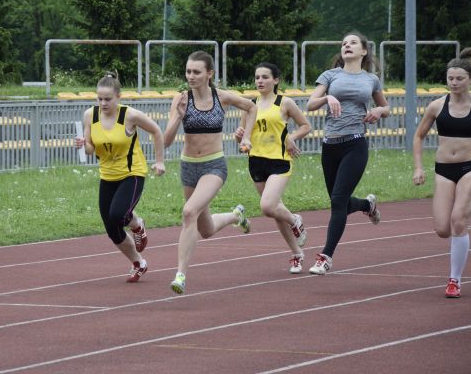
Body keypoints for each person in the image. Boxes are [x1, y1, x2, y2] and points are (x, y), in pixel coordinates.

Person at [163, 50, 258, 294]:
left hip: (214, 166)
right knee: (204, 229)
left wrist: (245, 134)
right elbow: (165, 141)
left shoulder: (222, 97)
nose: (191, 76)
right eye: (188, 71)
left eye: (196, 72)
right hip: (188, 167)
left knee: (188, 212)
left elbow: (251, 107)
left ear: (209, 74)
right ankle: (236, 216)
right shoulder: (181, 99)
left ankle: (180, 275)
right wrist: (178, 118)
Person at [306, 31, 390, 275]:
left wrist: (379, 112)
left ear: (364, 51)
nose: (347, 46)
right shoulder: (330, 75)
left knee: (337, 201)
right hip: (330, 145)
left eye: (353, 42)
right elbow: (311, 103)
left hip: (355, 144)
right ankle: (367, 204)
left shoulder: (371, 79)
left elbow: (386, 106)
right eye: (343, 43)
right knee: (338, 200)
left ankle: (326, 256)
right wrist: (327, 96)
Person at [412, 47, 471, 298]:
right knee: (442, 229)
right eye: (450, 78)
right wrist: (418, 167)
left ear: (470, 80)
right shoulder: (436, 106)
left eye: (459, 79)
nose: (454, 83)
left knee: (458, 222)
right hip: (443, 168)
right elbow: (418, 136)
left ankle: (454, 280)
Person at [75, 73, 165, 283]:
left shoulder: (130, 115)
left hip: (132, 174)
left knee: (118, 214)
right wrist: (83, 144)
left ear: (118, 97)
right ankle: (139, 263)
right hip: (107, 176)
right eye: (100, 99)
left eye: (108, 99)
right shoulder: (90, 115)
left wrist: (159, 161)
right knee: (111, 228)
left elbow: (156, 131)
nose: (103, 103)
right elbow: (90, 150)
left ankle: (137, 224)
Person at [234, 62, 312, 274]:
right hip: (256, 161)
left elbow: (306, 126)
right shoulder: (250, 105)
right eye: (257, 77)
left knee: (268, 207)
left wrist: (291, 138)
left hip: (279, 161)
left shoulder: (284, 103)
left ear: (275, 80)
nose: (260, 80)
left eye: (265, 77)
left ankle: (295, 220)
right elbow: (244, 136)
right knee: (276, 212)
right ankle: (297, 254)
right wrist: (240, 137)